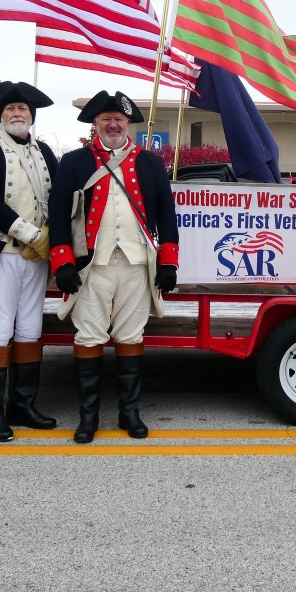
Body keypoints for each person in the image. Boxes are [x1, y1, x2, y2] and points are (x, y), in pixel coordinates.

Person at [48, 90, 179, 444]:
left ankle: (128, 412)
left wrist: (168, 262)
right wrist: (62, 262)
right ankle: (88, 417)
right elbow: (58, 212)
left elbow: (167, 213)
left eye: (118, 119)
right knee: (89, 336)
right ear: (95, 124)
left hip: (136, 263)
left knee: (131, 336)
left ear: (128, 124)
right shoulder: (74, 162)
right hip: (93, 265)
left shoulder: (150, 162)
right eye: (106, 118)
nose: (112, 124)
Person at [0, 81, 60, 442]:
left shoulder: (46, 151)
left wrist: (53, 237)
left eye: (22, 109)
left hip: (37, 256)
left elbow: (58, 198)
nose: (16, 114)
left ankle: (22, 405)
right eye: (9, 110)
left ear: (31, 116)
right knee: (2, 326)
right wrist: (33, 236)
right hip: (2, 252)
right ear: (1, 116)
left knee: (30, 327)